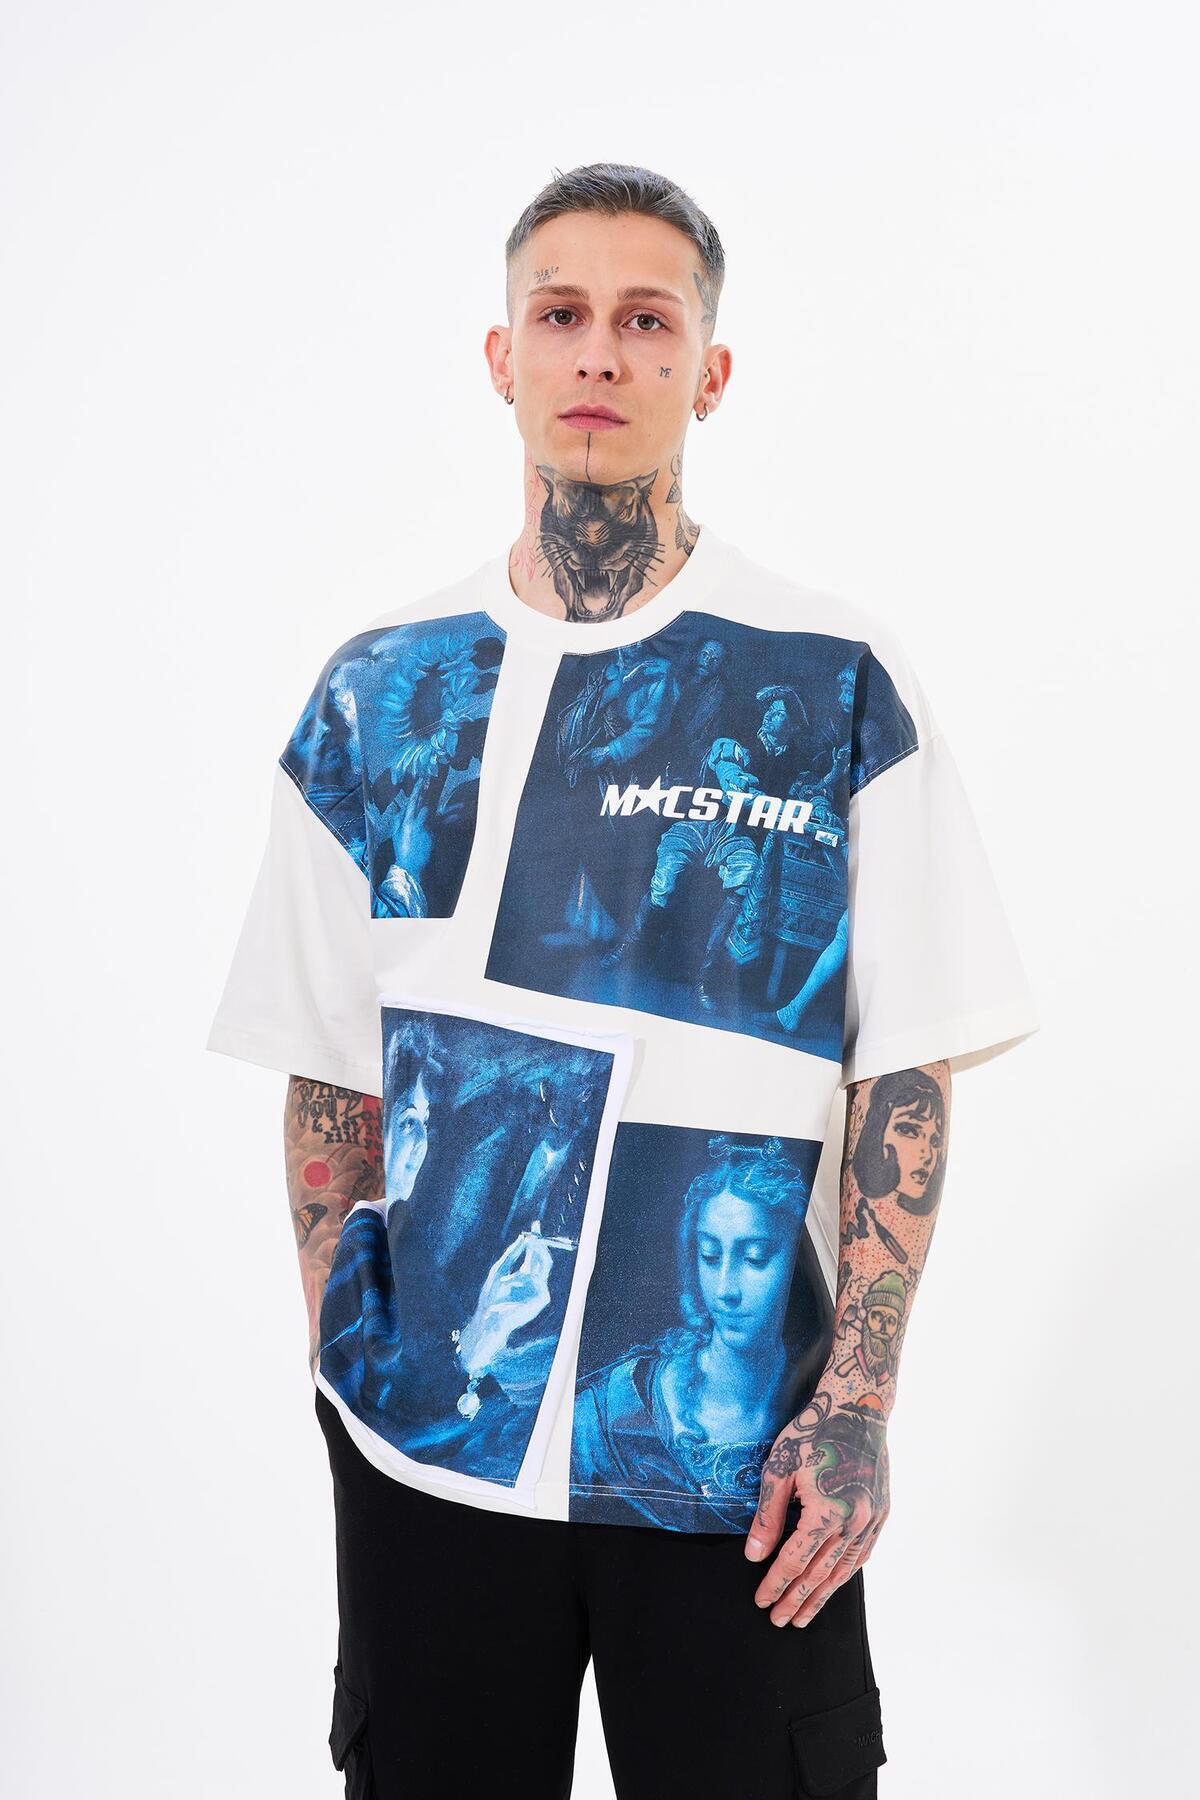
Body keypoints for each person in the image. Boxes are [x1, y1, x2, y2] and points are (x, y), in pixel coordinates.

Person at [208, 163, 1040, 1800]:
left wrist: (856, 1403)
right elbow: (328, 1065)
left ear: (709, 373)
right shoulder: (380, 691)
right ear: (502, 357)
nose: (601, 352)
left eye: (648, 321)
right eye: (562, 313)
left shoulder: (832, 674)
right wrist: (343, 1341)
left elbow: (909, 1060)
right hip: (431, 1456)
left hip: (743, 1471)